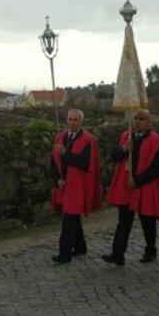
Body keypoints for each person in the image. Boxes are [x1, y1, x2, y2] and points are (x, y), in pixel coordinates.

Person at [101, 109, 159, 266]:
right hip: (127, 186)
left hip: (144, 186)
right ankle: (118, 254)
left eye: (142, 119)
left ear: (149, 122)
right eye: (136, 118)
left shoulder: (157, 141)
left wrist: (138, 181)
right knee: (124, 221)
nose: (138, 121)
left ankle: (150, 250)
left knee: (147, 221)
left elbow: (157, 168)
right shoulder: (126, 136)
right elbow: (114, 156)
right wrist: (124, 149)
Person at [50, 109, 102, 264]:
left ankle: (64, 253)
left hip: (78, 185)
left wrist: (66, 153)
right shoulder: (60, 137)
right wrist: (57, 180)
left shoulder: (88, 140)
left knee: (69, 218)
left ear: (81, 122)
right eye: (70, 119)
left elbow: (85, 163)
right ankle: (80, 247)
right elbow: (54, 161)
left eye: (76, 120)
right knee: (72, 216)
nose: (72, 123)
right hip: (64, 183)